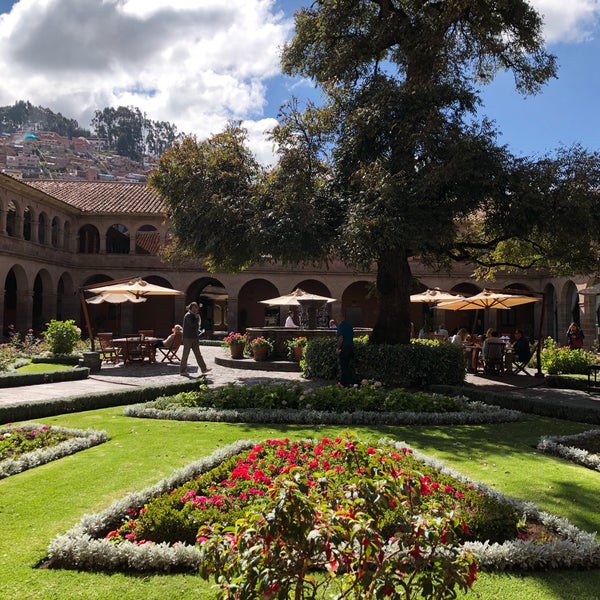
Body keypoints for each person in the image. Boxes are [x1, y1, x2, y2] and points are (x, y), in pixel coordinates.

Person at [180, 302, 211, 376]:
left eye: (196, 307)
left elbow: (196, 326)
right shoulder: (188, 315)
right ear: (191, 308)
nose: (195, 309)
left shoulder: (194, 315)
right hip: (188, 338)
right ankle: (182, 371)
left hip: (194, 337)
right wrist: (197, 318)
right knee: (186, 354)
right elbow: (192, 324)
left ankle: (204, 369)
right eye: (194, 307)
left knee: (198, 354)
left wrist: (199, 330)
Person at [336, 316, 354, 386]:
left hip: (345, 348)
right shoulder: (349, 325)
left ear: (339, 319)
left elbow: (340, 338)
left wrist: (338, 348)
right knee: (348, 365)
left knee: (344, 366)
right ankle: (346, 381)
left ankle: (346, 383)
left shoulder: (341, 326)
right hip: (351, 347)